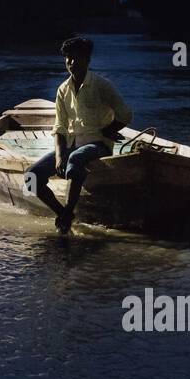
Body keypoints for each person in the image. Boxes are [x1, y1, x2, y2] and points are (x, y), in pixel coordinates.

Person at [26, 36, 132, 233]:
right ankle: (64, 213)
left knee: (75, 159)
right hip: (71, 145)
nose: (72, 63)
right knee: (31, 176)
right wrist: (58, 156)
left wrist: (109, 130)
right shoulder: (63, 90)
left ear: (88, 60)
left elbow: (126, 114)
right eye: (68, 58)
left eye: (77, 58)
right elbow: (60, 128)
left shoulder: (102, 85)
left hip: (98, 144)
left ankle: (67, 212)